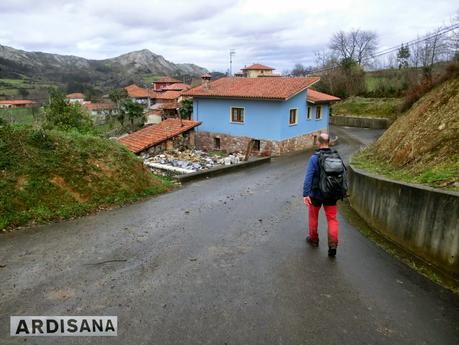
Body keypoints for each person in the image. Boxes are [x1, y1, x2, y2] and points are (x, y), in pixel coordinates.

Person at [303, 133, 340, 257]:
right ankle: (333, 245)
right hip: (332, 194)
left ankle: (314, 240)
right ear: (329, 142)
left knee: (313, 217)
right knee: (332, 220)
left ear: (318, 143)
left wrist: (305, 194)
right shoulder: (336, 156)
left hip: (316, 194)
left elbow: (308, 177)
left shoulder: (314, 158)